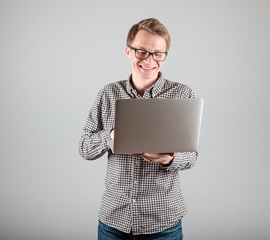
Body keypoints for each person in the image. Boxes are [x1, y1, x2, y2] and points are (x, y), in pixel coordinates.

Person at [79, 18, 198, 240]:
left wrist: (167, 159)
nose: (149, 60)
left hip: (162, 222)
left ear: (164, 56)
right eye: (141, 51)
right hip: (114, 220)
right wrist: (111, 136)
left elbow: (192, 156)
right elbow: (84, 148)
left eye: (158, 53)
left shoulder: (181, 95)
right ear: (128, 51)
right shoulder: (108, 94)